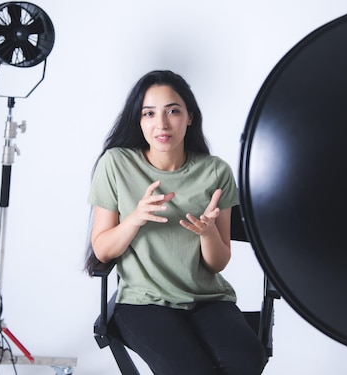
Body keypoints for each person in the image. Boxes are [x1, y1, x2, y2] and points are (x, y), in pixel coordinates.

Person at [85, 70, 266, 374]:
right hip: (143, 301)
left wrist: (208, 234)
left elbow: (218, 263)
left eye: (173, 111)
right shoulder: (116, 164)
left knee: (246, 361)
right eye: (149, 113)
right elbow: (102, 251)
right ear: (138, 120)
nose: (162, 123)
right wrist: (135, 218)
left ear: (190, 117)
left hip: (207, 298)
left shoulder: (215, 171)